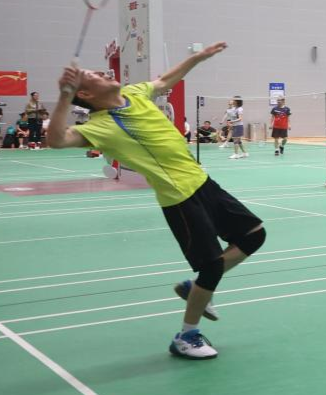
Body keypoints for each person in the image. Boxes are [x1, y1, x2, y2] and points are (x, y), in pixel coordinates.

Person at [47, 42, 266, 360]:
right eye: (93, 75)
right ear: (86, 94)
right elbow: (56, 140)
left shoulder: (134, 93)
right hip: (179, 197)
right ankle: (186, 336)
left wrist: (197, 58)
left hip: (202, 182)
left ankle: (197, 289)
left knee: (254, 235)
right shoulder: (100, 126)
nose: (102, 73)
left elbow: (164, 80)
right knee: (211, 266)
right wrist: (64, 97)